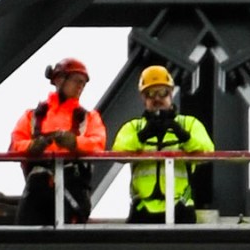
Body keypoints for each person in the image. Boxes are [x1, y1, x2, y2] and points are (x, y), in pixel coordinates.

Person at [111, 65, 214, 223]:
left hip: (181, 207)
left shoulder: (188, 124)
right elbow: (118, 152)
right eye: (150, 93)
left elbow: (208, 151)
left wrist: (183, 136)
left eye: (162, 92)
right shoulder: (134, 127)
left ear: (171, 93)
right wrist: (142, 136)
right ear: (143, 98)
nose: (157, 98)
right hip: (143, 208)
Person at [11, 56, 107, 224]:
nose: (80, 86)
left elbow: (98, 144)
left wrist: (75, 143)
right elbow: (15, 145)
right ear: (59, 79)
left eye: (83, 83)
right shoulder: (33, 116)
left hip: (73, 186)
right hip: (38, 187)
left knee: (70, 235)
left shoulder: (88, 117)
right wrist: (32, 146)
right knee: (27, 232)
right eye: (77, 80)